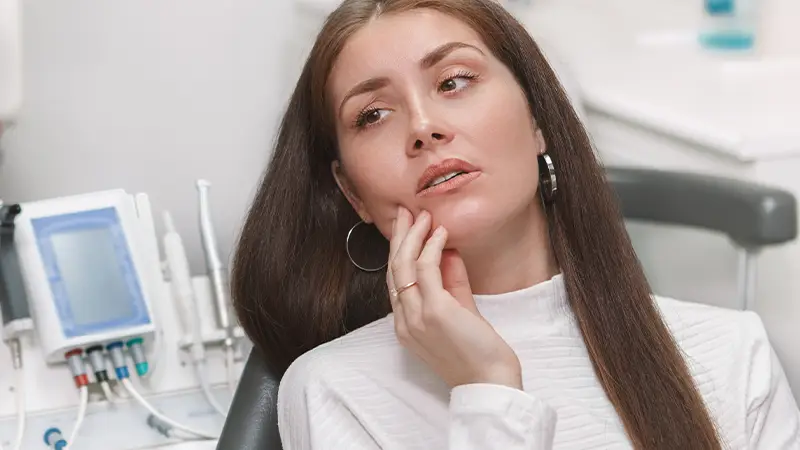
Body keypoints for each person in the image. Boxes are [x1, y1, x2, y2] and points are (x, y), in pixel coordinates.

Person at [230, 0, 800, 448]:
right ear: (352, 192)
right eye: (372, 115)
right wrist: (488, 387)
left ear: (536, 120)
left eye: (453, 81)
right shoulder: (332, 391)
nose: (424, 127)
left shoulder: (732, 353)